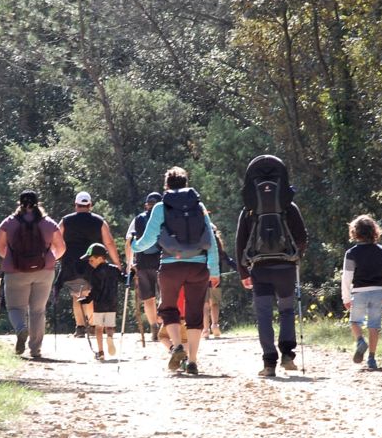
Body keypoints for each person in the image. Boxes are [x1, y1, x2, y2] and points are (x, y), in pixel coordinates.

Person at [132, 167, 219, 375]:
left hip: (171, 266)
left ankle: (178, 346)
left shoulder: (161, 207)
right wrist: (213, 269)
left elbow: (149, 239)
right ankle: (193, 361)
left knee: (169, 308)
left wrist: (134, 246)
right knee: (195, 312)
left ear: (167, 186)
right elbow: (211, 239)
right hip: (198, 266)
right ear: (186, 183)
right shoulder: (198, 205)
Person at [235, 155, 308, 377]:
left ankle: (269, 364)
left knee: (264, 315)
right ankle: (288, 355)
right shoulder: (289, 207)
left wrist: (243, 272)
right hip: (285, 268)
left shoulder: (249, 210)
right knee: (286, 310)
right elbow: (302, 237)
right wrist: (297, 257)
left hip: (260, 269)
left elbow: (240, 243)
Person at [0, 190, 65, 359]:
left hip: (16, 271)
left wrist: (13, 259)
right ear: (37, 203)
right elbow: (61, 247)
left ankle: (20, 329)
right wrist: (49, 259)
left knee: (15, 308)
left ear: (19, 203)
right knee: (38, 310)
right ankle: (35, 349)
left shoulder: (8, 223)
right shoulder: (48, 223)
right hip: (44, 271)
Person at [58, 191, 122, 338]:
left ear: (76, 205)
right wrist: (117, 262)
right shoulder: (99, 221)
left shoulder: (65, 221)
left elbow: (56, 239)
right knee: (92, 293)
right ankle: (92, 325)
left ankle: (80, 327)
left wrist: (54, 257)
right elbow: (109, 242)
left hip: (71, 262)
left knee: (77, 294)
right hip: (93, 262)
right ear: (90, 205)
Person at [341, 214, 382, 370]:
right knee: (374, 326)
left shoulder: (351, 253)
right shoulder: (380, 250)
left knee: (355, 322)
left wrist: (346, 297)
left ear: (355, 232)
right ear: (373, 231)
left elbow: (346, 277)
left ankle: (361, 342)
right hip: (377, 291)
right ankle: (371, 359)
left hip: (359, 292)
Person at [125, 192, 163, 341]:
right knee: (164, 295)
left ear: (146, 205)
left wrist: (129, 263)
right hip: (161, 261)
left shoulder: (138, 219)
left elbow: (129, 241)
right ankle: (164, 324)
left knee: (148, 299)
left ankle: (154, 327)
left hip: (142, 263)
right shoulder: (163, 217)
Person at [78, 243, 122, 361]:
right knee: (110, 326)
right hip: (112, 303)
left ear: (100, 258)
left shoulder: (95, 273)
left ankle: (101, 352)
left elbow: (95, 291)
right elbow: (124, 279)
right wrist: (132, 273)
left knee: (98, 328)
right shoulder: (114, 269)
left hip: (99, 304)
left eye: (91, 260)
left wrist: (86, 299)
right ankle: (110, 337)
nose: (89, 262)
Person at [202, 223, 236, 339]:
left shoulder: (202, 247)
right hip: (216, 279)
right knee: (215, 303)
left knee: (205, 305)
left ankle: (205, 330)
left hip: (202, 278)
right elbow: (228, 261)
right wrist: (241, 270)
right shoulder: (218, 249)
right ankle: (215, 325)